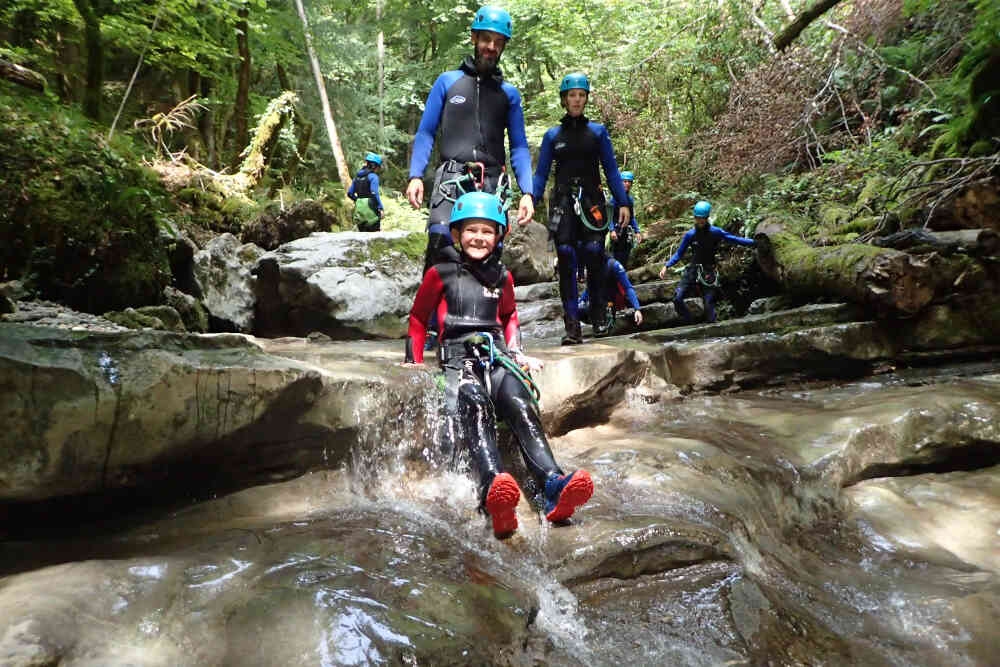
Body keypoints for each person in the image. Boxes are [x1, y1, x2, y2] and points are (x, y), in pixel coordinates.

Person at [405, 192, 594, 539]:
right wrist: (414, 361)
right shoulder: (440, 273)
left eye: (487, 231)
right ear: (457, 234)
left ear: (499, 236)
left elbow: (508, 315)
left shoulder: (502, 277)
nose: (479, 237)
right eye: (471, 230)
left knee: (521, 405)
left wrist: (517, 352)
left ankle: (552, 484)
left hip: (495, 355)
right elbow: (418, 319)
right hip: (457, 358)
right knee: (476, 405)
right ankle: (492, 487)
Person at [405, 5, 534, 273]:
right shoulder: (447, 82)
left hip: (492, 182)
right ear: (474, 38)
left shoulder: (509, 94)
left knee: (487, 257)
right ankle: (433, 313)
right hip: (451, 180)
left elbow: (519, 146)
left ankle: (485, 312)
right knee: (440, 243)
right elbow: (427, 131)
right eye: (486, 39)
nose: (491, 46)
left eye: (498, 43)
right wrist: (415, 175)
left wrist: (528, 192)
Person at [532, 72, 630, 345]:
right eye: (571, 96)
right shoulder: (553, 136)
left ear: (586, 99)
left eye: (581, 95)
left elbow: (610, 169)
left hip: (592, 202)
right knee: (565, 255)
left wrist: (622, 202)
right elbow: (541, 175)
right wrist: (531, 197)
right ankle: (572, 326)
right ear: (564, 100)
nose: (576, 100)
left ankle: (598, 314)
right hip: (563, 203)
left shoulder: (597, 132)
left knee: (594, 251)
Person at [658, 200, 756, 323]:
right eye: (697, 218)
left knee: (708, 303)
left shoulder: (715, 232)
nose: (700, 221)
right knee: (677, 299)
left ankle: (713, 328)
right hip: (693, 270)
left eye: (702, 218)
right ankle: (690, 321)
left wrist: (754, 243)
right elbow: (679, 253)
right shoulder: (690, 235)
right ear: (694, 217)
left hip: (709, 270)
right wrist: (666, 266)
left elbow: (734, 239)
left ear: (707, 218)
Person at [578, 255, 644, 330]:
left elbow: (628, 288)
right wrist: (580, 303)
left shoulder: (614, 265)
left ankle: (605, 320)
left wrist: (637, 309)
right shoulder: (591, 268)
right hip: (599, 300)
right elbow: (589, 290)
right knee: (578, 309)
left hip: (614, 300)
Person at [608, 171, 641, 267]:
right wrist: (612, 230)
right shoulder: (614, 199)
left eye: (629, 182)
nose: (627, 184)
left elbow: (631, 217)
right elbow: (609, 217)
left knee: (625, 255)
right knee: (616, 256)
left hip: (626, 232)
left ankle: (622, 277)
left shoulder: (630, 200)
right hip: (616, 231)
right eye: (624, 181)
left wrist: (637, 231)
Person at [347, 152, 384, 232]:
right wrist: (380, 208)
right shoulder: (373, 177)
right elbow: (374, 193)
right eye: (378, 167)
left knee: (362, 236)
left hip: (359, 209)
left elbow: (350, 193)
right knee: (375, 237)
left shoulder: (356, 177)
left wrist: (357, 200)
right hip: (371, 208)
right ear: (375, 166)